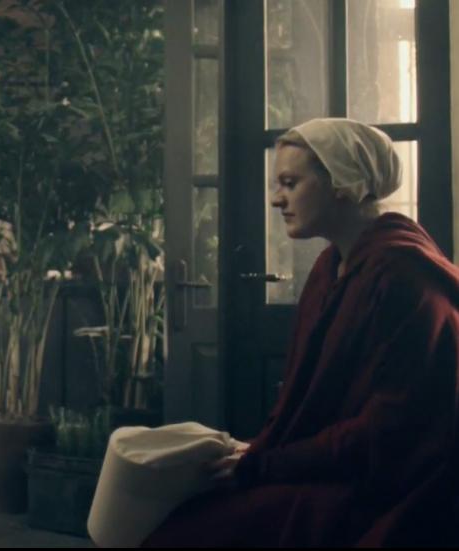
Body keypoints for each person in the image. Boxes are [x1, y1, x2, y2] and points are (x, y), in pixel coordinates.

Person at [142, 118, 459, 547]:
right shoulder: (329, 267)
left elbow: (391, 432)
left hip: (388, 487)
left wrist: (266, 466)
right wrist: (259, 452)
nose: (277, 199)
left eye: (291, 183)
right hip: (334, 466)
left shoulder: (402, 277)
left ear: (343, 183)